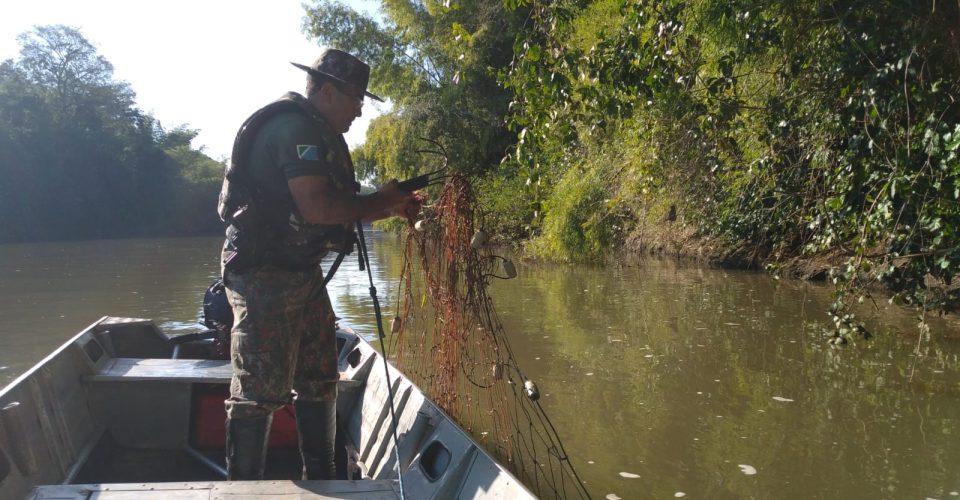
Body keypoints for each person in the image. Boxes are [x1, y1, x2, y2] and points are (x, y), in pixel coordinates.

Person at [216, 48, 419, 481]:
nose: (360, 110)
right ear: (326, 91)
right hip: (263, 274)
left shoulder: (316, 129)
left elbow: (336, 208)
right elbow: (316, 207)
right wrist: (381, 200)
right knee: (259, 390)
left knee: (320, 375)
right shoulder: (294, 129)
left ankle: (324, 477)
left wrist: (390, 208)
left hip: (300, 273)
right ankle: (242, 488)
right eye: (355, 98)